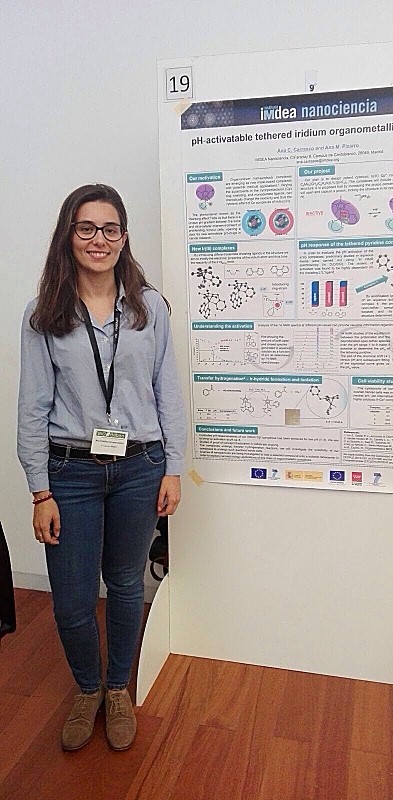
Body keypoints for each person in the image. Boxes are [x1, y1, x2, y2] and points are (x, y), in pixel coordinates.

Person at [17, 184, 186, 752]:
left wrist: (174, 467)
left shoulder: (149, 307)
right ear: (68, 235)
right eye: (86, 228)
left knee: (126, 584)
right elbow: (33, 406)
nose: (99, 240)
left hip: (140, 467)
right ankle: (87, 687)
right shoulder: (44, 314)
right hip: (71, 473)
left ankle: (117, 689)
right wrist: (40, 491)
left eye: (110, 229)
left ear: (123, 237)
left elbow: (167, 393)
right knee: (71, 600)